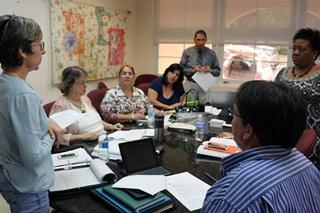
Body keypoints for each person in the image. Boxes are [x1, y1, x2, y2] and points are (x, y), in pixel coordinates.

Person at [202, 80, 320, 212]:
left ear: (248, 129)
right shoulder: (306, 165)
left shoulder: (229, 196)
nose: (232, 118)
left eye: (233, 113)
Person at [0, 14, 64, 212]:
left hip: (10, 176)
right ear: (23, 51)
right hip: (27, 186)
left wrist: (45, 122)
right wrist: (49, 135)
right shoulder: (23, 95)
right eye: (39, 44)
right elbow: (34, 156)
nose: (43, 51)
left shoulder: (5, 83)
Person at [275, 28, 320, 168]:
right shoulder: (282, 73)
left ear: (315, 53)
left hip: (311, 142)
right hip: (281, 139)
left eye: (301, 49)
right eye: (294, 48)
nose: (295, 52)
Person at [50, 66, 123, 145]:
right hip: (84, 145)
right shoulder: (60, 106)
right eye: (82, 82)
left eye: (86, 82)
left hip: (103, 138)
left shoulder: (85, 98)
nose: (86, 85)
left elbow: (96, 121)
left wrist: (111, 126)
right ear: (70, 85)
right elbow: (57, 137)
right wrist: (83, 136)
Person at [180, 30, 221, 105]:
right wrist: (193, 70)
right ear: (194, 40)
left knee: (205, 108)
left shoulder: (211, 53)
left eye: (203, 40)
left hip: (205, 84)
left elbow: (218, 71)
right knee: (190, 107)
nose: (201, 42)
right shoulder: (187, 52)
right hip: (191, 83)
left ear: (206, 40)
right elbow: (181, 70)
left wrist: (210, 70)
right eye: (198, 40)